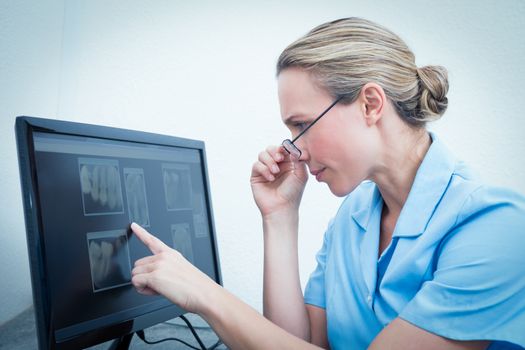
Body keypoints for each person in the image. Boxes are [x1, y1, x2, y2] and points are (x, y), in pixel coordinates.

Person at [130, 17, 525, 349]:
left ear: (371, 104)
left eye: (301, 125)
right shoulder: (355, 215)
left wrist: (205, 294)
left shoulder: (498, 229)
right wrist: (279, 217)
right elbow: (292, 341)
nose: (294, 149)